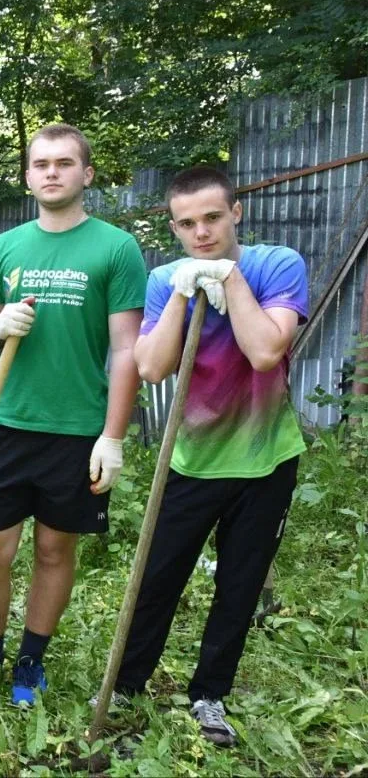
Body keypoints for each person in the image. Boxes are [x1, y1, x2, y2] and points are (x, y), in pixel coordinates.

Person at [95, 166, 307, 746]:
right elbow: (152, 367)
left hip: (266, 459)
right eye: (187, 224)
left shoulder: (277, 265)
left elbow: (266, 351)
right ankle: (127, 682)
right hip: (189, 460)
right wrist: (185, 294)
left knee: (238, 586)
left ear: (235, 213)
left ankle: (209, 696)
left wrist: (231, 283)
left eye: (213, 218)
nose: (202, 233)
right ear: (174, 227)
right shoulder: (166, 279)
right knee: (157, 576)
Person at [0, 124, 147, 707]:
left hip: (77, 430)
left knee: (56, 549)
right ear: (28, 175)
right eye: (40, 164)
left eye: (64, 163)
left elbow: (127, 347)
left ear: (87, 173)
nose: (51, 172)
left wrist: (113, 436)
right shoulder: (8, 246)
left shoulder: (115, 247)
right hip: (6, 422)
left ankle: (31, 663)